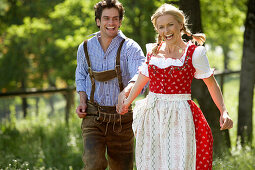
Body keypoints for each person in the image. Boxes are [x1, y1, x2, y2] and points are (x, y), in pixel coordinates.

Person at [117, 3, 233, 170]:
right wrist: (127, 102)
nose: (166, 30)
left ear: (180, 24)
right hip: (153, 113)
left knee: (179, 162)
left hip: (180, 114)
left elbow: (211, 84)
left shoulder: (194, 53)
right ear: (157, 29)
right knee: (152, 162)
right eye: (161, 27)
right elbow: (143, 78)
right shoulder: (153, 51)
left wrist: (223, 111)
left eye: (170, 24)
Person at [75, 0, 145, 169]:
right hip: (93, 116)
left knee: (122, 167)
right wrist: (82, 101)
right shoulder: (84, 47)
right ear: (98, 21)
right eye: (106, 18)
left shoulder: (131, 47)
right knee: (94, 164)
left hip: (122, 118)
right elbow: (81, 75)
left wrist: (126, 91)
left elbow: (142, 76)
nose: (111, 23)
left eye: (115, 18)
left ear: (120, 21)